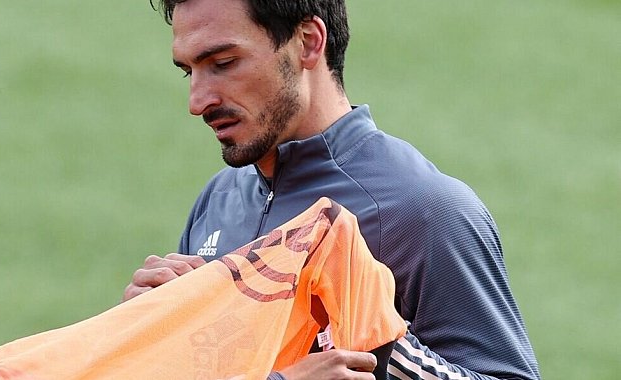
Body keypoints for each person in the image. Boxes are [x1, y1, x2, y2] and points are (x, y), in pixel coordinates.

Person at [123, 0, 542, 379]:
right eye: (188, 71)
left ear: (307, 42)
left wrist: (381, 349)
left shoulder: (424, 211)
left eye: (224, 62)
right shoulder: (218, 200)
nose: (197, 101)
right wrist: (151, 331)